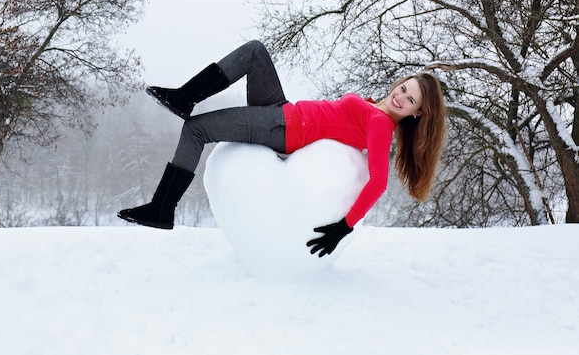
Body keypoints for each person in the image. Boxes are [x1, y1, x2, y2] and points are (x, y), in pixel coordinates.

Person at [118, 40, 446, 257]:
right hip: (284, 112)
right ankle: (184, 96)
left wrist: (343, 228)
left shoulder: (380, 125)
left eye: (410, 100)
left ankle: (162, 208)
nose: (400, 96)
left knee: (196, 129)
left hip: (283, 128)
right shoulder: (376, 110)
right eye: (404, 87)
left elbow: (378, 182)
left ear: (416, 113)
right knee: (255, 51)